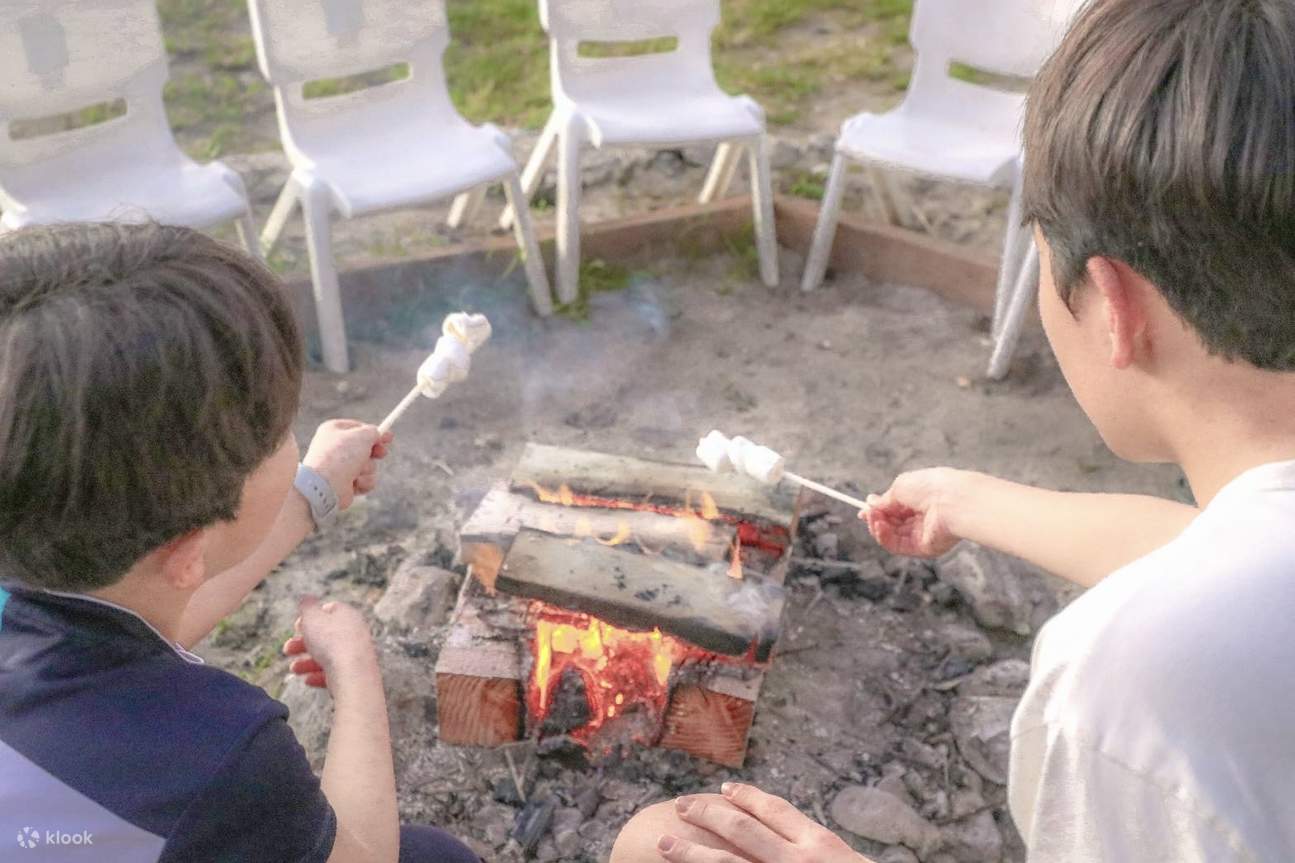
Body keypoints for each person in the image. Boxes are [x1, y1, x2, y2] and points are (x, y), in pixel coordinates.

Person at [612, 0, 1295, 860]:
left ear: (1113, 308)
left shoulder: (1136, 688)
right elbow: (1221, 550)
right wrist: (962, 498)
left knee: (649, 842)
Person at [0, 223, 478, 863]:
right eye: (280, 435)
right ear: (189, 549)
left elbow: (139, 606)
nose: (293, 439)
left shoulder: (36, 585)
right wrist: (359, 672)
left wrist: (309, 495)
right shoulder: (219, 757)